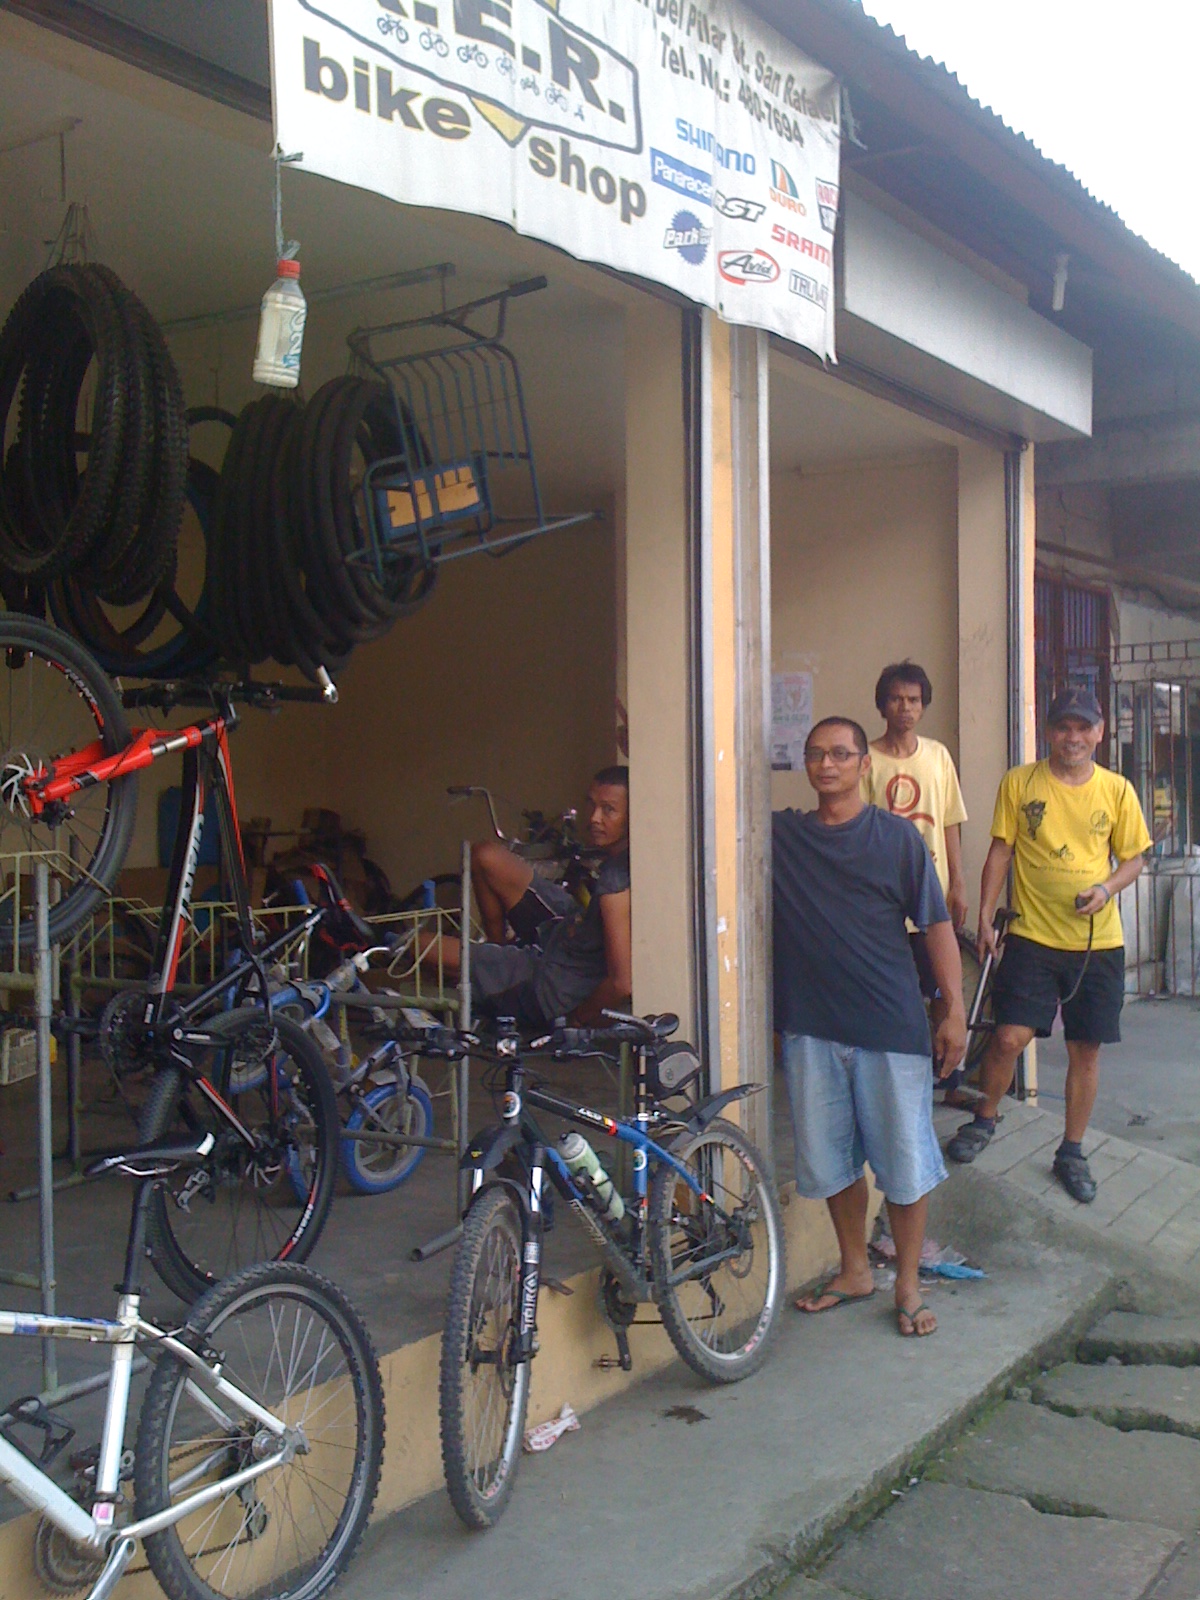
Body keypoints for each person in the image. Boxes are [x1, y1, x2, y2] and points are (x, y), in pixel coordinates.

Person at [774, 716, 967, 1338]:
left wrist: (954, 1010)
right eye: (815, 754)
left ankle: (907, 1285)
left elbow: (936, 924)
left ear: (864, 766)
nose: (826, 764)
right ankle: (855, 1269)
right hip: (811, 1028)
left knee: (905, 1163)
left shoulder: (896, 839)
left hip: (889, 1025)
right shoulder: (782, 838)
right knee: (833, 1162)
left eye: (840, 754)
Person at [945, 689, 1151, 1203]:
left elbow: (1134, 859)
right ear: (1049, 732)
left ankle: (1071, 1151)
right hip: (1032, 936)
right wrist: (987, 915)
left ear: (1099, 732)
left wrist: (1106, 889)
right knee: (1009, 1037)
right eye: (1063, 727)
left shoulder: (1117, 790)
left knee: (1085, 1049)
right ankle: (985, 1118)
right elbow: (1001, 850)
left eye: (1083, 728)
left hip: (1096, 944)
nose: (1072, 737)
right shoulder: (1020, 782)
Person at [416, 767, 632, 1030]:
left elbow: (622, 983)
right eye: (592, 805)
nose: (595, 818)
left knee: (418, 944)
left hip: (552, 977)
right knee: (485, 855)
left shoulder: (615, 885)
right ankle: (496, 949)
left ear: (632, 815)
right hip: (564, 931)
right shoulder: (624, 861)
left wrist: (577, 1020)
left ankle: (492, 967)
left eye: (609, 809)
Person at [864, 662, 971, 1103]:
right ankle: (900, 1081)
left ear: (923, 705)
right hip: (884, 902)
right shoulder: (867, 759)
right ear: (882, 705)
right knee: (895, 995)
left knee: (943, 989)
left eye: (913, 700)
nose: (905, 708)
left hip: (932, 899)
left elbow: (950, 822)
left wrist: (958, 882)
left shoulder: (938, 755)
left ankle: (949, 1077)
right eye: (896, 699)